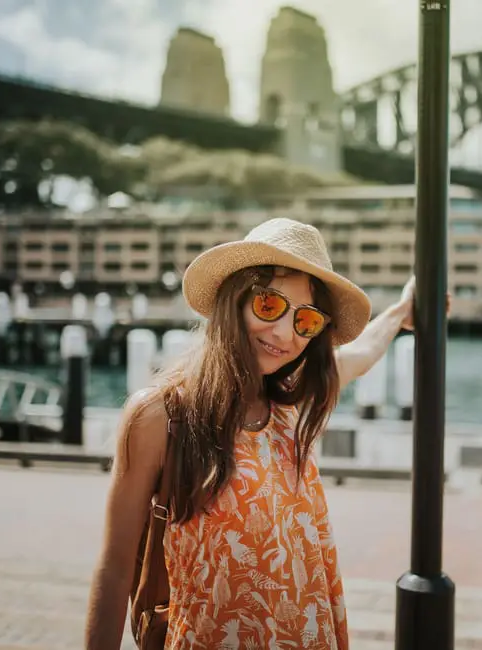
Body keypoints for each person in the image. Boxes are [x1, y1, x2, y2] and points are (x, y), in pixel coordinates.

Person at [85, 217, 435, 649]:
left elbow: (360, 355)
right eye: (269, 307)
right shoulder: (161, 416)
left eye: (306, 321)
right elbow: (115, 569)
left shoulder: (289, 404)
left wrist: (403, 312)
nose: (284, 333)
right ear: (235, 299)